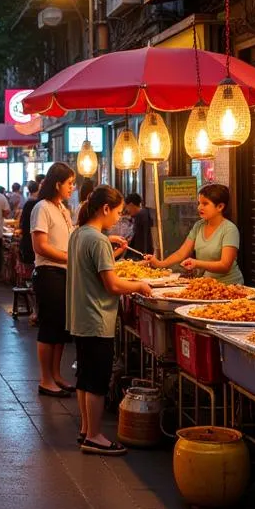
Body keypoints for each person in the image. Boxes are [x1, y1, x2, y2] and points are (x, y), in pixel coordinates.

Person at [68, 186, 153, 456]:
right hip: (97, 318)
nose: (118, 217)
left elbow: (93, 269)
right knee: (96, 380)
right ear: (105, 209)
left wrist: (111, 249)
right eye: (116, 212)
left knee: (84, 376)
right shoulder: (97, 240)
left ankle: (85, 429)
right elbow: (112, 284)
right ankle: (94, 436)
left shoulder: (79, 234)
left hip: (80, 315)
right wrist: (139, 285)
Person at [31, 163, 76, 397]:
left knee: (60, 328)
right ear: (57, 183)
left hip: (64, 273)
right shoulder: (43, 208)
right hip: (49, 273)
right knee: (49, 327)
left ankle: (56, 374)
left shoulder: (63, 209)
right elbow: (40, 245)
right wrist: (69, 257)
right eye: (69, 183)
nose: (72, 188)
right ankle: (45, 379)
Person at [146, 183, 243, 285]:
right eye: (199, 203)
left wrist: (197, 263)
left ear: (220, 207)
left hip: (229, 286)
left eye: (205, 204)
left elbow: (225, 266)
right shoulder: (199, 225)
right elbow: (181, 253)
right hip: (206, 284)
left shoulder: (229, 229)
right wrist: (161, 264)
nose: (199, 208)